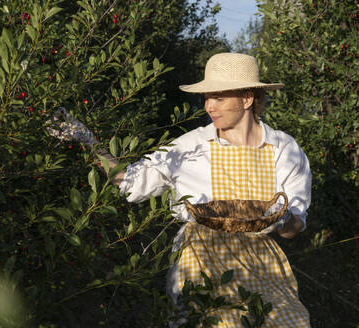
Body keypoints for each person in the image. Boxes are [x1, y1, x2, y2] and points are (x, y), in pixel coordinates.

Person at [48, 53, 312, 327]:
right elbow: (129, 180)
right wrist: (89, 141)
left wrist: (281, 218)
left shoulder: (283, 149)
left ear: (247, 98)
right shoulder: (191, 146)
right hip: (200, 259)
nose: (209, 106)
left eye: (219, 98)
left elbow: (293, 227)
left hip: (262, 263)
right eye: (207, 97)